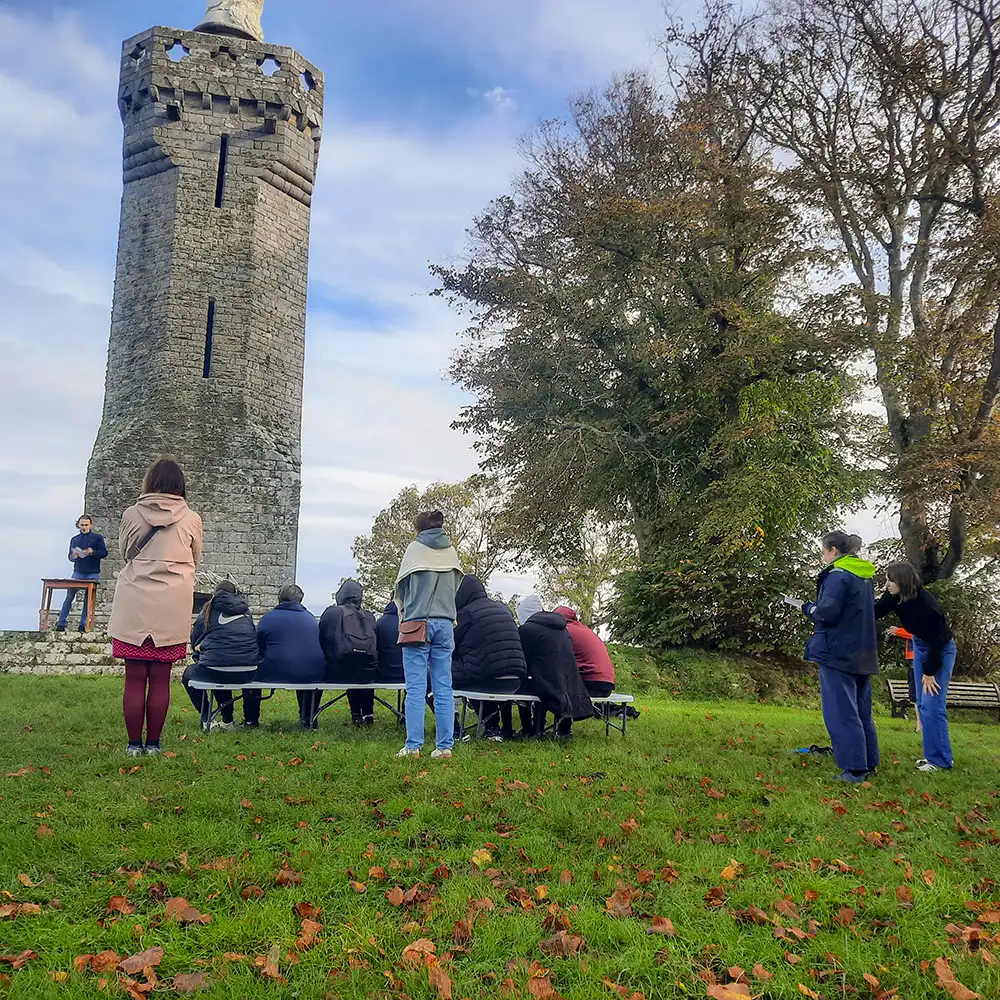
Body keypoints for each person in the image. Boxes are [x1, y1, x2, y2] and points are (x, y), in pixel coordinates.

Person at [109, 458, 203, 757]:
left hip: (135, 598)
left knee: (134, 677)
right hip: (171, 603)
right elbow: (195, 557)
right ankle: (154, 744)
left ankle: (133, 744)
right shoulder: (191, 519)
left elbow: (125, 553)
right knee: (161, 678)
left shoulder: (131, 514)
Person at [786, 531, 879, 783]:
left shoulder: (838, 575)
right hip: (863, 650)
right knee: (861, 712)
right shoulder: (863, 575)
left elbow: (827, 612)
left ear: (833, 550)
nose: (823, 554)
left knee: (840, 711)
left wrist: (806, 607)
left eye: (824, 549)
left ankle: (854, 769)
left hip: (837, 650)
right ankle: (869, 761)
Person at [393, 511, 464, 759]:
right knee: (444, 687)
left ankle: (413, 746)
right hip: (445, 623)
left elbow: (401, 590)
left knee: (415, 687)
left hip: (417, 622)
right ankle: (445, 746)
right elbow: (456, 585)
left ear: (418, 529)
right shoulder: (451, 552)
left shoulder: (414, 551)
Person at [876, 562, 956, 772]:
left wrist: (930, 672)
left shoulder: (927, 604)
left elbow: (937, 641)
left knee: (932, 705)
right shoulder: (895, 596)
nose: (887, 584)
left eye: (890, 580)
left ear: (902, 581)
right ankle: (934, 757)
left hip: (939, 649)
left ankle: (941, 761)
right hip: (920, 645)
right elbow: (875, 612)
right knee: (922, 703)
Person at [452, 575, 527, 740]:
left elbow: (452, 644)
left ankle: (454, 730)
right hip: (515, 680)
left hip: (487, 678)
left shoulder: (467, 613)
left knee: (435, 677)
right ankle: (492, 729)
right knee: (481, 669)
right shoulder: (503, 608)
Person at [246, 584, 325, 729]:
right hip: (310, 673)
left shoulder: (268, 618)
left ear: (279, 599)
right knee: (306, 672)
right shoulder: (311, 619)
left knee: (251, 672)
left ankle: (251, 719)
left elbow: (258, 648)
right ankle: (308, 718)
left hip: (275, 671)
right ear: (300, 600)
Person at [517, 595, 594, 739]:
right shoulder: (561, 629)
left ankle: (529, 728)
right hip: (569, 680)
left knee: (523, 685)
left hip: (544, 680)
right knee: (545, 681)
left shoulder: (527, 629)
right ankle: (563, 729)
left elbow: (522, 658)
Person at [181, 580, 242, 729]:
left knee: (191, 675)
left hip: (215, 666)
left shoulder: (206, 612)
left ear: (215, 594)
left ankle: (207, 717)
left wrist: (200, 654)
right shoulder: (245, 611)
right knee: (220, 666)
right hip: (245, 668)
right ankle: (229, 720)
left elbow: (195, 642)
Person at [319, 580, 379, 726]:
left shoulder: (331, 613)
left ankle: (356, 714)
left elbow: (321, 639)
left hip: (336, 674)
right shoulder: (369, 616)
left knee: (348, 663)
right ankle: (367, 713)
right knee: (363, 665)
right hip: (368, 675)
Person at [56, 514, 108, 632]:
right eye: (82, 525)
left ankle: (82, 625)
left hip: (93, 572)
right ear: (78, 526)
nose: (84, 527)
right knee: (69, 597)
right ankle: (61, 623)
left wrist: (92, 552)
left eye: (86, 525)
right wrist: (73, 556)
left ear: (90, 525)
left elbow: (104, 553)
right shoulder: (75, 539)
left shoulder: (97, 538)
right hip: (78, 572)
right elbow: (70, 557)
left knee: (87, 599)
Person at [553, 606, 616, 698]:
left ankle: (538, 711)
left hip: (590, 683)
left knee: (548, 686)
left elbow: (554, 657)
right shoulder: (585, 630)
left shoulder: (565, 631)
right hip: (607, 684)